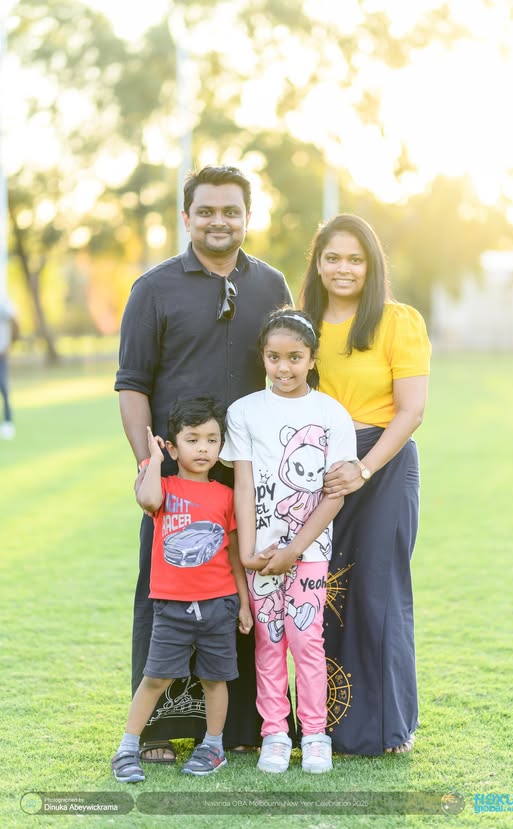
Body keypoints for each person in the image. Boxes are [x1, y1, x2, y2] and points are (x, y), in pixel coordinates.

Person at [114, 165, 292, 761]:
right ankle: (162, 732)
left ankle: (239, 727)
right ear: (186, 217)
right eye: (207, 211)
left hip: (246, 472)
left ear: (248, 217)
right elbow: (133, 384)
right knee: (164, 594)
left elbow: (290, 368)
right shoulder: (154, 288)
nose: (220, 221)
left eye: (232, 211)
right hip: (176, 475)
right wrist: (148, 466)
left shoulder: (271, 286)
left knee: (241, 590)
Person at [300, 214, 431, 756]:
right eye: (333, 257)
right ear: (318, 264)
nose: (344, 268)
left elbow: (412, 411)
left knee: (378, 596)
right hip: (319, 472)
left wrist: (365, 467)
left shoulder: (398, 321)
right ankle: (322, 724)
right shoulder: (301, 322)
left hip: (382, 467)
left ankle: (386, 729)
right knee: (323, 595)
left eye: (356, 258)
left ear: (371, 264)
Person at [220, 308, 358, 774]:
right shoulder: (244, 412)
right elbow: (242, 484)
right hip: (259, 556)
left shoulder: (331, 414)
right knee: (268, 640)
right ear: (263, 356)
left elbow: (334, 496)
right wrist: (245, 552)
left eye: (295, 358)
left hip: (309, 554)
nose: (284, 368)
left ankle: (315, 734)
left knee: (306, 641)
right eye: (274, 357)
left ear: (312, 358)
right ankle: (275, 733)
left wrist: (295, 550)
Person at [111, 397, 253, 782]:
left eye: (211, 439)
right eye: (192, 440)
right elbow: (148, 499)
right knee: (155, 677)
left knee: (214, 678)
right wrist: (154, 462)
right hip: (171, 606)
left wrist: (242, 603)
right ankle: (127, 747)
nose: (203, 448)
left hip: (218, 604)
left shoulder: (225, 496)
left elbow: (236, 554)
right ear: (173, 447)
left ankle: (213, 746)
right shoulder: (166, 488)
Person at [0, 294, 19, 440]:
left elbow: (15, 321)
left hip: (1, 355)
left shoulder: (3, 303)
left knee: (4, 388)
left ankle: (8, 422)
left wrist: (11, 344)